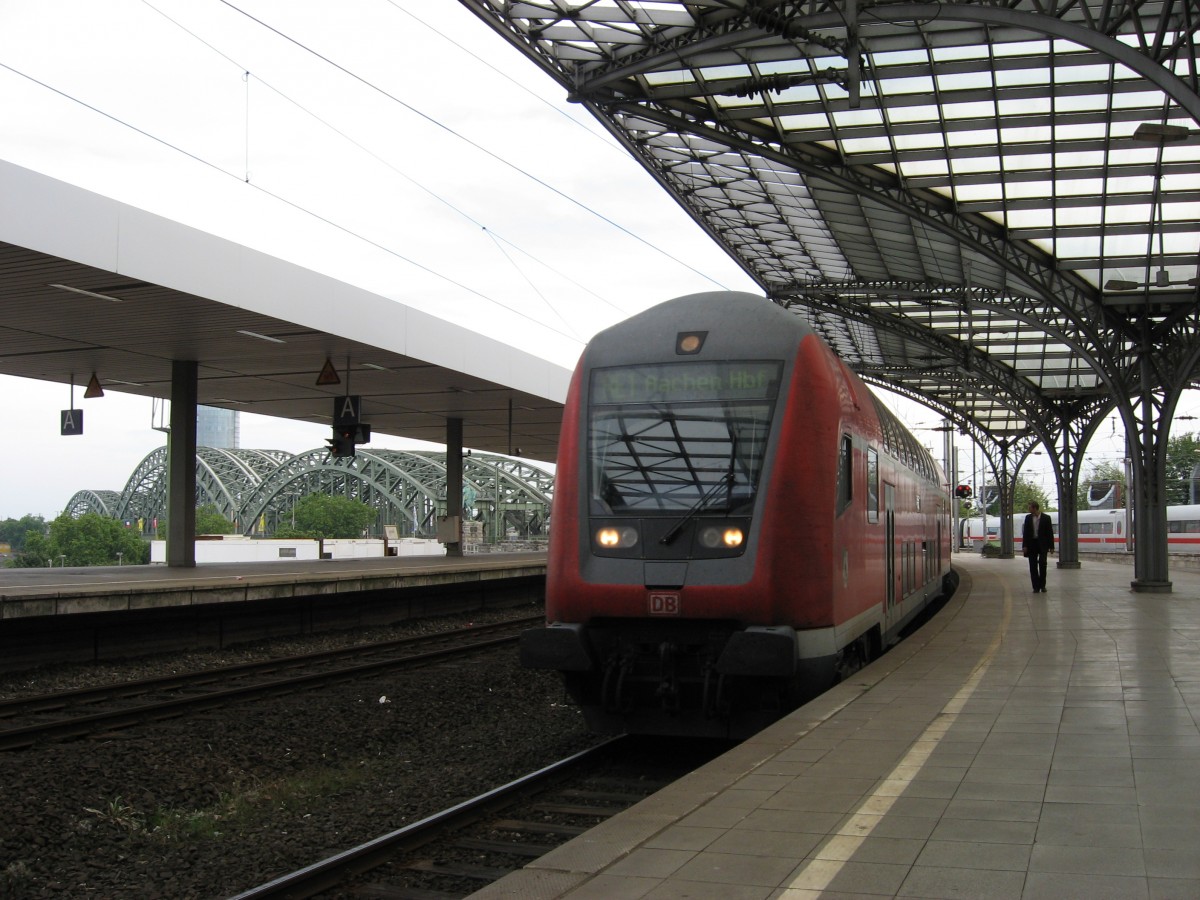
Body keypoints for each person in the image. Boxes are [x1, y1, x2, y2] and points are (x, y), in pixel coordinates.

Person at [1022, 501, 1054, 593]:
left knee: (1043, 564)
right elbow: (1026, 533)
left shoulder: (1046, 518)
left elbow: (1049, 533)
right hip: (1032, 544)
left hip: (1043, 544)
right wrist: (1024, 545)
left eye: (1030, 508)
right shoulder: (1028, 518)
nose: (1028, 509)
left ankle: (1042, 585)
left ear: (1034, 508)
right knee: (1033, 566)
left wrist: (1051, 546)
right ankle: (1035, 587)